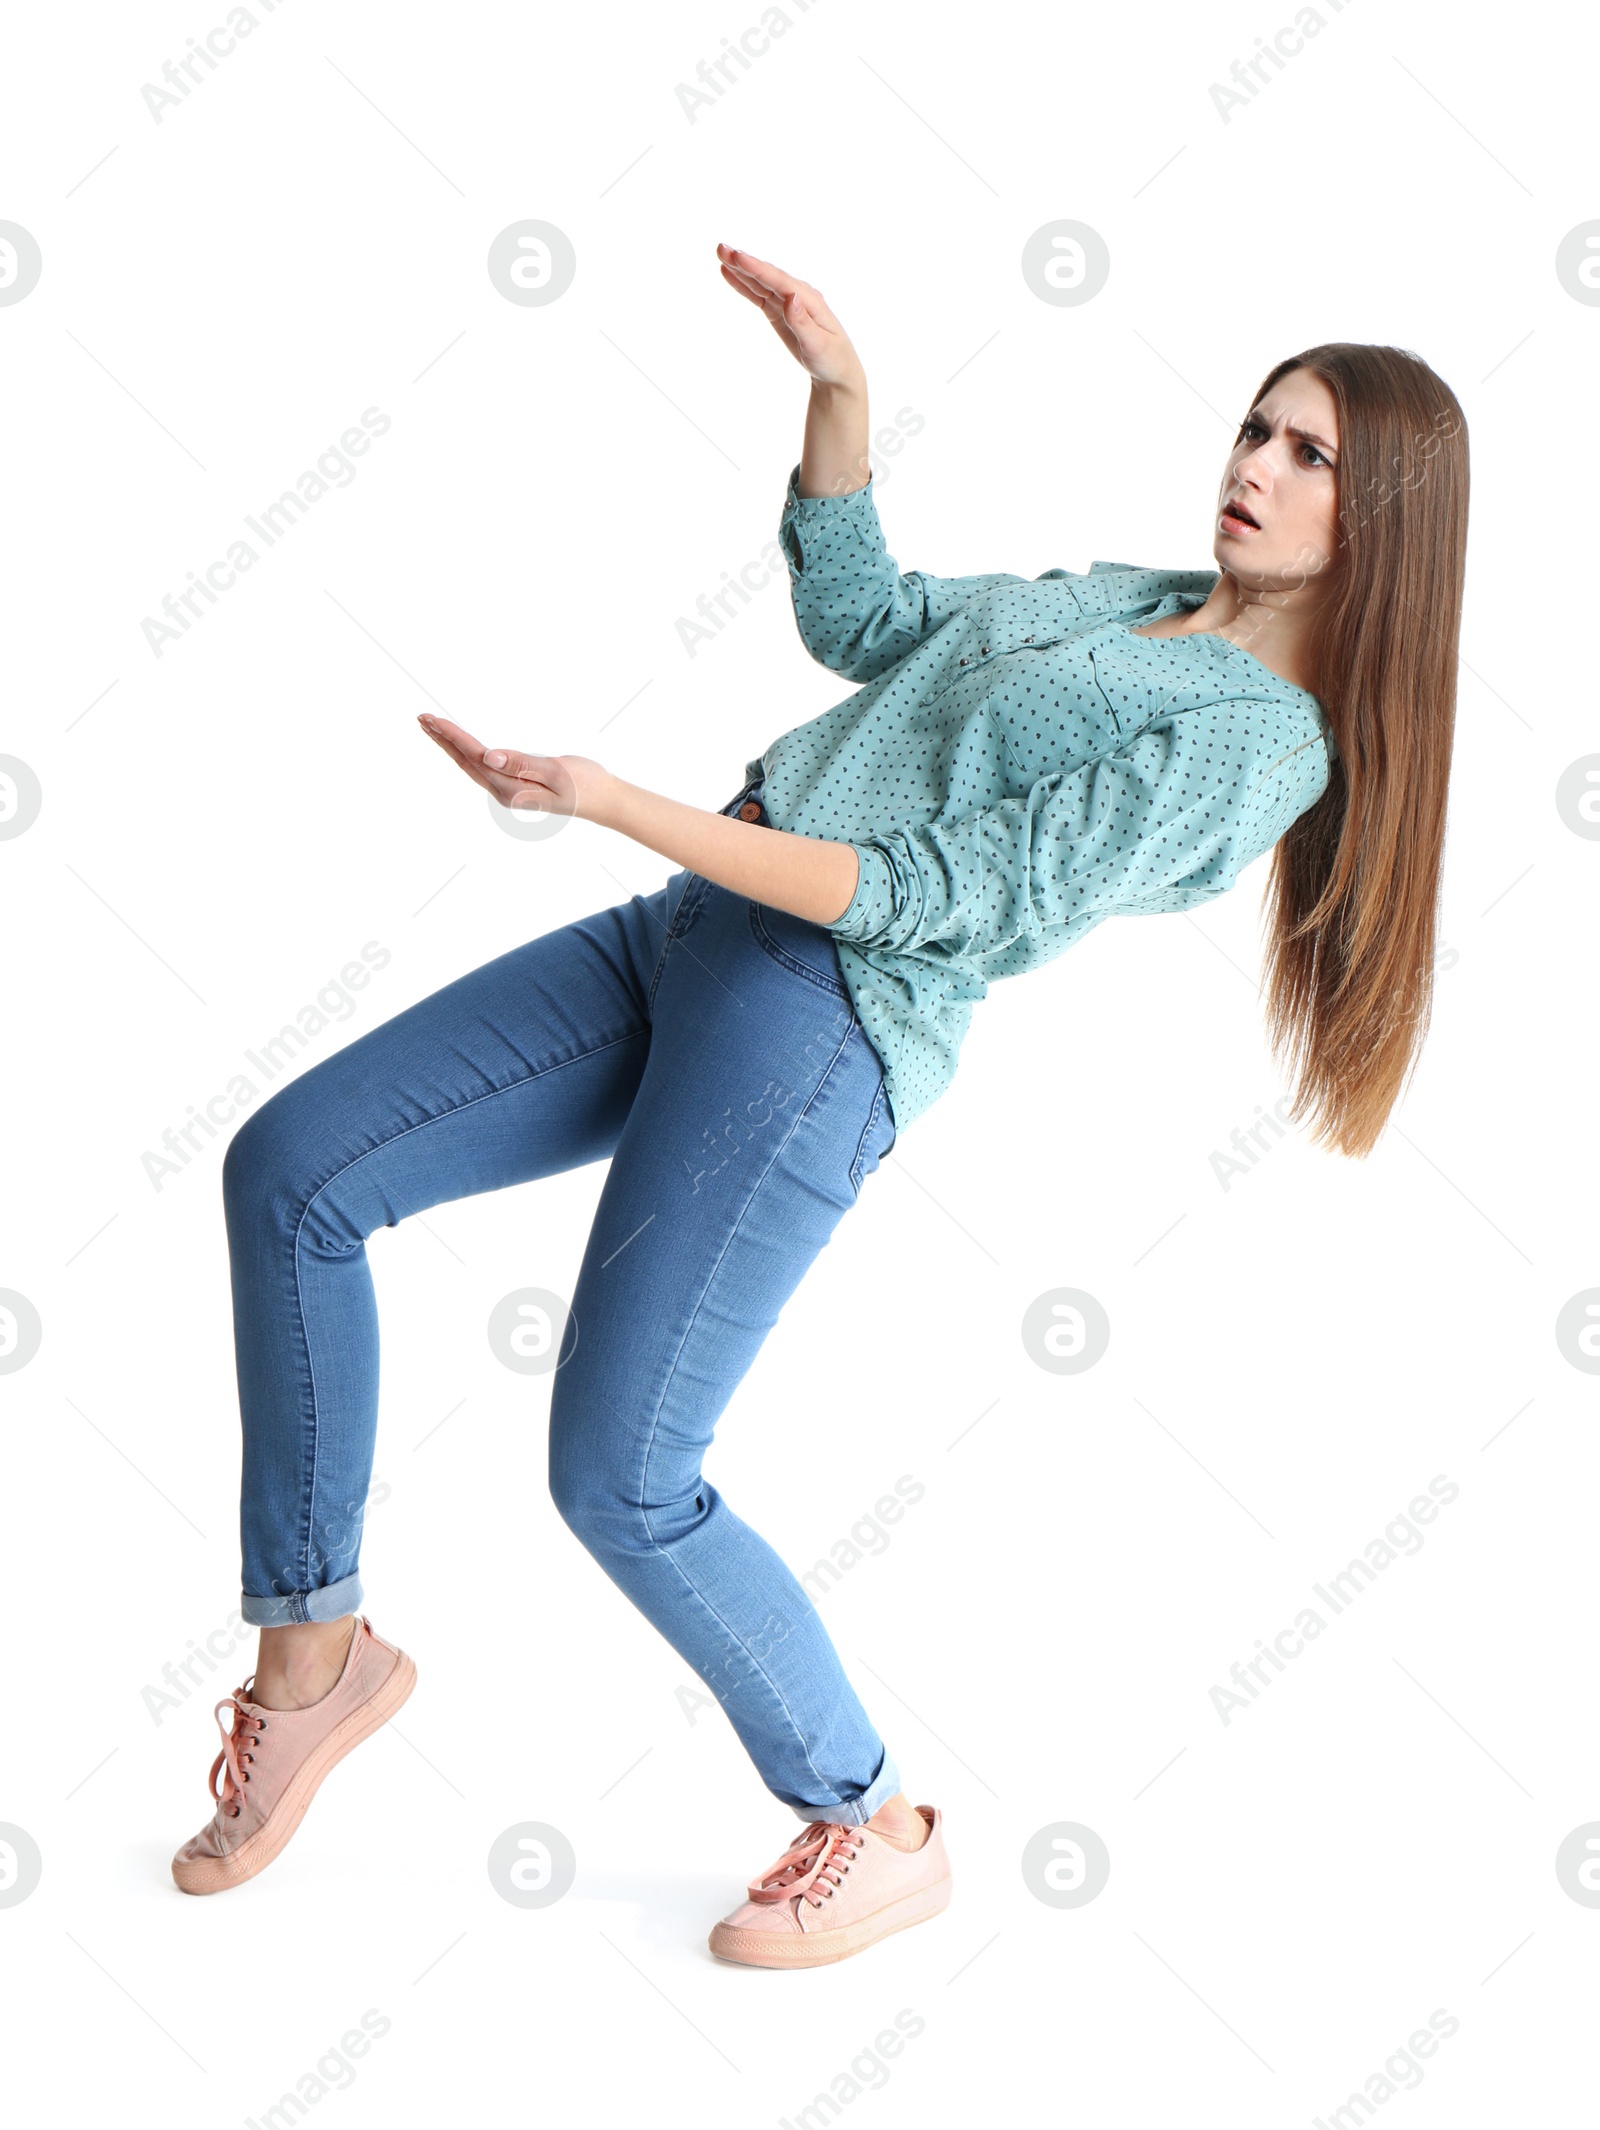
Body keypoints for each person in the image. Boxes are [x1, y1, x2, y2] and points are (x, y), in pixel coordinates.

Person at [170, 245, 1469, 1968]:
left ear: (1383, 517)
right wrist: (839, 389)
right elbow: (869, 626)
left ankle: (869, 1818)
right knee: (294, 1171)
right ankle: (315, 1656)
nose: (1255, 465)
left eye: (1309, 455)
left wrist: (627, 804)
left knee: (621, 1472)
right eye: (1256, 426)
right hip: (691, 937)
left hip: (818, 1023)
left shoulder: (1259, 742)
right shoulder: (1136, 593)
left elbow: (937, 888)